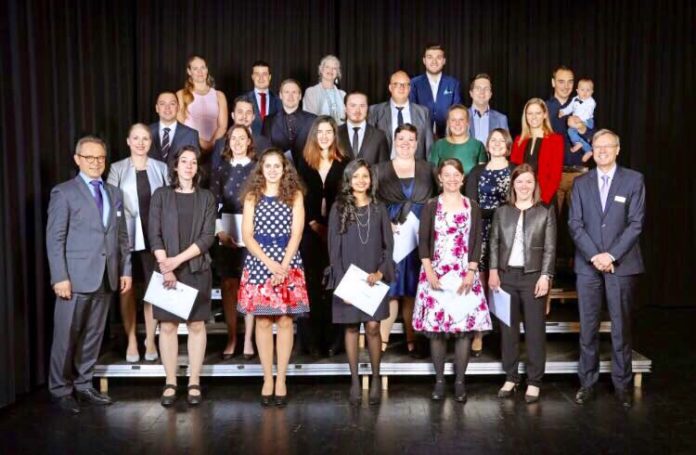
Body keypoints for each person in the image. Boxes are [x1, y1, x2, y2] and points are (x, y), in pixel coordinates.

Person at [46, 136, 132, 414]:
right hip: (74, 279)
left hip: (106, 276)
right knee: (66, 337)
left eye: (100, 158)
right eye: (89, 157)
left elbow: (121, 236)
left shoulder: (114, 193)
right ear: (77, 159)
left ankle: (83, 384)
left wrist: (125, 270)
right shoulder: (64, 193)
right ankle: (60, 390)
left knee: (93, 335)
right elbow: (55, 238)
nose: (96, 163)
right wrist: (59, 276)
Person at [570, 130, 645, 409]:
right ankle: (587, 384)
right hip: (588, 265)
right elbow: (574, 224)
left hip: (621, 264)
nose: (602, 151)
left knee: (620, 327)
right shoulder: (580, 183)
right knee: (588, 327)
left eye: (607, 146)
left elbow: (635, 223)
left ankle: (622, 385)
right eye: (597, 146)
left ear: (617, 149)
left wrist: (611, 255)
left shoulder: (634, 180)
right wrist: (595, 256)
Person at [414, 159, 492, 403]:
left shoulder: (472, 206)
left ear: (462, 178)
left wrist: (471, 271)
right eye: (446, 174)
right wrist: (429, 270)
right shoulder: (431, 206)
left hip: (463, 274)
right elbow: (423, 240)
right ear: (440, 178)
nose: (451, 179)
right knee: (437, 331)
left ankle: (459, 382)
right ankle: (439, 381)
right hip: (436, 274)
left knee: (463, 331)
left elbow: (477, 240)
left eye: (456, 174)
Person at [237, 149, 309, 407]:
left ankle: (281, 380)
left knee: (286, 321)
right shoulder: (252, 196)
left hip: (288, 261)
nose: (272, 170)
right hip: (260, 262)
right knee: (263, 321)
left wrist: (283, 267)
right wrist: (269, 264)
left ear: (284, 169)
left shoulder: (295, 195)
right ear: (261, 169)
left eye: (277, 165)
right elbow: (247, 235)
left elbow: (297, 233)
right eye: (267, 165)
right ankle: (267, 378)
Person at [148, 145, 216, 407]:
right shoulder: (161, 195)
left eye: (193, 162)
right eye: (184, 161)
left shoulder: (206, 197)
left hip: (196, 268)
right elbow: (154, 233)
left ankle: (194, 381)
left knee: (197, 325)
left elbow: (207, 237)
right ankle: (170, 381)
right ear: (175, 166)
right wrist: (166, 266)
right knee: (167, 326)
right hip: (166, 269)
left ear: (198, 168)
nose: (189, 166)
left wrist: (176, 261)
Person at [328, 159, 395, 405]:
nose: (360, 180)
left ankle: (375, 377)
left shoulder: (379, 208)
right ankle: (355, 380)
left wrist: (381, 272)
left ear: (371, 180)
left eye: (365, 176)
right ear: (348, 180)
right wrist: (341, 285)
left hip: (373, 277)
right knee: (351, 328)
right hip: (349, 278)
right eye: (355, 176)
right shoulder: (339, 208)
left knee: (374, 327)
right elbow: (334, 249)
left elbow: (389, 245)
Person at [488, 163, 557, 404]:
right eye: (519, 181)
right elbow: (494, 242)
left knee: (535, 331)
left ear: (535, 185)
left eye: (529, 181)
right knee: (508, 331)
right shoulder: (502, 211)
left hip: (533, 278)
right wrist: (493, 271)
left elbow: (550, 248)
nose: (524, 186)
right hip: (506, 277)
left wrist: (546, 276)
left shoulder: (545, 211)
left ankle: (534, 381)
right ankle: (511, 377)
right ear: (513, 185)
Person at [107, 123, 169, 363]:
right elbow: (111, 204)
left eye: (145, 138)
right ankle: (132, 339)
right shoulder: (117, 168)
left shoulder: (161, 168)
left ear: (151, 142)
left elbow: (168, 203)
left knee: (153, 291)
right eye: (136, 138)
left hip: (154, 238)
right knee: (128, 289)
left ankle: (150, 340)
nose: (141, 143)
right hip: (127, 239)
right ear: (128, 141)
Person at [376, 124, 437, 357]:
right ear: (394, 140)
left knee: (413, 288)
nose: (405, 143)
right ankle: (381, 341)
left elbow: (437, 201)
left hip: (419, 236)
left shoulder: (428, 169)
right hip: (392, 233)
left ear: (417, 143)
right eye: (401, 138)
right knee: (390, 288)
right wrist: (384, 223)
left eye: (411, 139)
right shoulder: (380, 169)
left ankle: (413, 339)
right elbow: (372, 202)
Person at [296, 116, 348, 356]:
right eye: (320, 132)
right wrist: (313, 223)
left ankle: (334, 341)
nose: (325, 136)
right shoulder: (303, 162)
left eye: (329, 131)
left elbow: (349, 198)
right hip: (308, 231)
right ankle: (311, 342)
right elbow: (297, 198)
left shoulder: (345, 162)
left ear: (334, 135)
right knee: (311, 286)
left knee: (335, 286)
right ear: (314, 135)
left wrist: (333, 229)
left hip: (339, 233)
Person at [464, 128, 515, 357]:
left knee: (506, 283)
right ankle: (479, 332)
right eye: (493, 140)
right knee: (482, 283)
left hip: (509, 233)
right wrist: (495, 213)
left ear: (508, 145)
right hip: (482, 232)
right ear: (487, 145)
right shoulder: (477, 171)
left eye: (501, 140)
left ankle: (505, 334)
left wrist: (499, 215)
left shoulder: (515, 170)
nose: (496, 144)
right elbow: (472, 207)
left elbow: (519, 204)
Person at [210, 125, 257, 360]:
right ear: (228, 142)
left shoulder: (258, 169)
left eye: (242, 138)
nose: (237, 142)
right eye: (233, 138)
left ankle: (248, 339)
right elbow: (213, 203)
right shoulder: (220, 169)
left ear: (249, 141)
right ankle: (232, 337)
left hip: (253, 234)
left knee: (249, 284)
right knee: (229, 286)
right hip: (226, 235)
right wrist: (219, 232)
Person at [546, 66, 595, 212]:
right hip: (551, 174)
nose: (566, 86)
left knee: (580, 220)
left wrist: (581, 127)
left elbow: (593, 136)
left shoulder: (584, 105)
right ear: (553, 82)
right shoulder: (543, 108)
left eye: (570, 82)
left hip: (579, 173)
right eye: (561, 81)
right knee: (551, 220)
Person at [368, 71, 434, 160]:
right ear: (390, 87)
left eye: (405, 84)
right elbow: (371, 146)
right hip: (385, 165)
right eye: (397, 84)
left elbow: (429, 147)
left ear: (409, 88)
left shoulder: (423, 112)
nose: (401, 87)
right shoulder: (375, 111)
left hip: (415, 165)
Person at [510, 98, 563, 206]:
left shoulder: (556, 140)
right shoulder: (518, 141)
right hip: (521, 199)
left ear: (544, 115)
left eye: (538, 113)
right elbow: (514, 172)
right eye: (530, 113)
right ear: (525, 116)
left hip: (545, 200)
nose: (533, 117)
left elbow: (555, 176)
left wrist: (542, 201)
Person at [176, 55, 229, 154]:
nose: (200, 72)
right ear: (189, 71)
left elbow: (222, 127)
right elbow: (180, 126)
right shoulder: (181, 94)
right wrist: (203, 144)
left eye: (203, 67)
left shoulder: (219, 95)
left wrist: (211, 145)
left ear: (207, 69)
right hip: (190, 147)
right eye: (195, 69)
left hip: (215, 148)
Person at [409, 43, 462, 137]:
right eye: (430, 57)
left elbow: (457, 110)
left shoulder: (453, 83)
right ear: (424, 60)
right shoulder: (414, 83)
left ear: (444, 61)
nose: (434, 61)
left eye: (438, 57)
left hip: (448, 136)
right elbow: (412, 110)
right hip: (420, 135)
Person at [262, 79, 317, 164]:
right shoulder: (269, 121)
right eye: (286, 92)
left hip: (307, 170)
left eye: (294, 92)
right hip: (278, 169)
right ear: (280, 95)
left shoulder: (313, 120)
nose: (290, 96)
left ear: (300, 96)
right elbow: (266, 151)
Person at [211, 96, 272, 170]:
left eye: (248, 113)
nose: (244, 116)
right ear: (233, 115)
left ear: (253, 117)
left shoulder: (264, 143)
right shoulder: (221, 143)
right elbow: (214, 172)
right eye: (240, 112)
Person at [428, 104, 487, 174]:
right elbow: (432, 174)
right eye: (453, 120)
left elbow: (482, 175)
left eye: (461, 119)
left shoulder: (478, 146)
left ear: (468, 122)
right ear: (448, 123)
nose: (457, 123)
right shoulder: (438, 146)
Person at [338, 91, 390, 164]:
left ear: (367, 108)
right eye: (353, 105)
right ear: (345, 108)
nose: (357, 110)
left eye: (362, 106)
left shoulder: (379, 136)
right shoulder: (335, 133)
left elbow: (383, 167)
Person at [149, 92, 200, 166]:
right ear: (157, 108)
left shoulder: (191, 135)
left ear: (178, 107)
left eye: (172, 104)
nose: (167, 107)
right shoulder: (146, 132)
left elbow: (194, 166)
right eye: (162, 104)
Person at [303, 55, 347, 125]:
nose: (330, 70)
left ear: (337, 73)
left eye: (334, 68)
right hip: (319, 130)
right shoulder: (311, 92)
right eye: (327, 67)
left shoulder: (343, 94)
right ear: (321, 70)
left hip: (341, 131)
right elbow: (311, 119)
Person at [559, 78, 596, 157]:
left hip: (587, 121)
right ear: (577, 91)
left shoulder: (591, 102)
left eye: (588, 90)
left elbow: (588, 113)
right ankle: (586, 148)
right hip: (575, 120)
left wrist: (580, 119)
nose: (585, 92)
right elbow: (570, 108)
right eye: (582, 90)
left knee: (574, 130)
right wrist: (563, 112)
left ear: (592, 92)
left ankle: (580, 144)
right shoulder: (575, 99)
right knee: (570, 131)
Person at [468, 73, 509, 143]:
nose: (482, 92)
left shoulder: (501, 119)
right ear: (471, 93)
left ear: (490, 94)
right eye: (478, 88)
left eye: (486, 88)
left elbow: (506, 145)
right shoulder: (460, 118)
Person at [244, 60, 282, 136]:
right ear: (252, 77)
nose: (261, 78)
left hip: (273, 143)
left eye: (264, 74)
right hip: (251, 142)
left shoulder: (280, 101)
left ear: (269, 77)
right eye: (257, 74)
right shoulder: (243, 100)